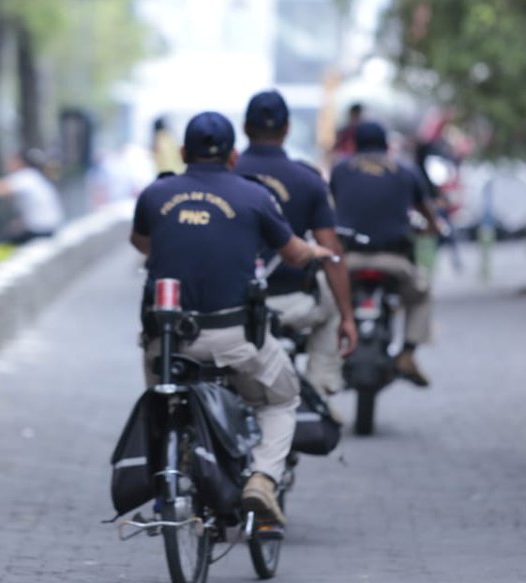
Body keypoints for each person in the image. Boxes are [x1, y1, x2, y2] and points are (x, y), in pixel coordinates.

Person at [131, 111, 335, 525]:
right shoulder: (254, 197)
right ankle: (261, 479)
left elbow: (141, 242)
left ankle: (163, 482)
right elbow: (295, 253)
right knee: (282, 399)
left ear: (184, 152)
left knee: (161, 402)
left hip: (168, 342)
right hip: (234, 340)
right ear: (232, 156)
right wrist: (315, 252)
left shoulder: (156, 194)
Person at [234, 90, 357, 399]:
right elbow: (331, 253)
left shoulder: (226, 176)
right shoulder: (308, 179)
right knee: (331, 303)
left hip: (230, 307)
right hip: (290, 303)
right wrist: (348, 317)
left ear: (245, 127)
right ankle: (318, 390)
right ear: (287, 129)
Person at [329, 121, 442, 386]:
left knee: (326, 302)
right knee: (423, 293)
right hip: (394, 262)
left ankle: (328, 358)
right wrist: (431, 229)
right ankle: (408, 353)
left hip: (349, 262)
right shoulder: (406, 171)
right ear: (387, 145)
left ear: (354, 144)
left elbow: (330, 207)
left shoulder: (341, 169)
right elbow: (429, 216)